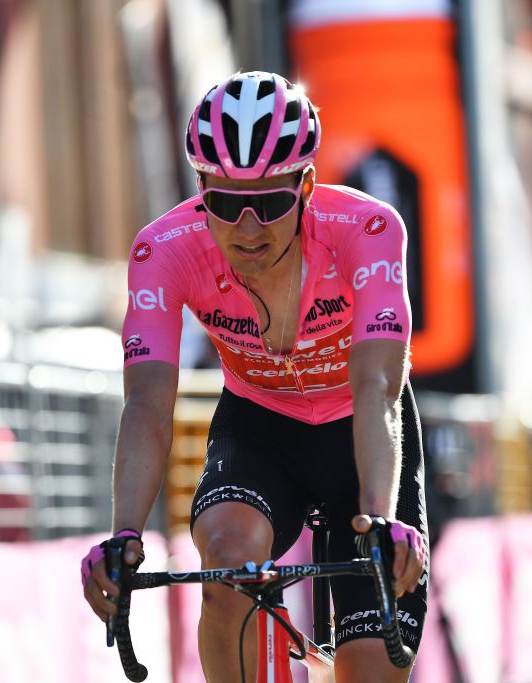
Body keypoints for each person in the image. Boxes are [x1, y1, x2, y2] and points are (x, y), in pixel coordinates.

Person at [81, 71, 429, 681]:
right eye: (224, 202)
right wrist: (124, 536)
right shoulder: (163, 250)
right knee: (226, 561)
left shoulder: (368, 231)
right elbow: (146, 405)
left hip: (361, 431)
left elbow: (377, 385)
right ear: (199, 190)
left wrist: (379, 518)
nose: (246, 227)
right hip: (261, 424)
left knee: (370, 670)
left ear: (308, 185)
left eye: (270, 203)